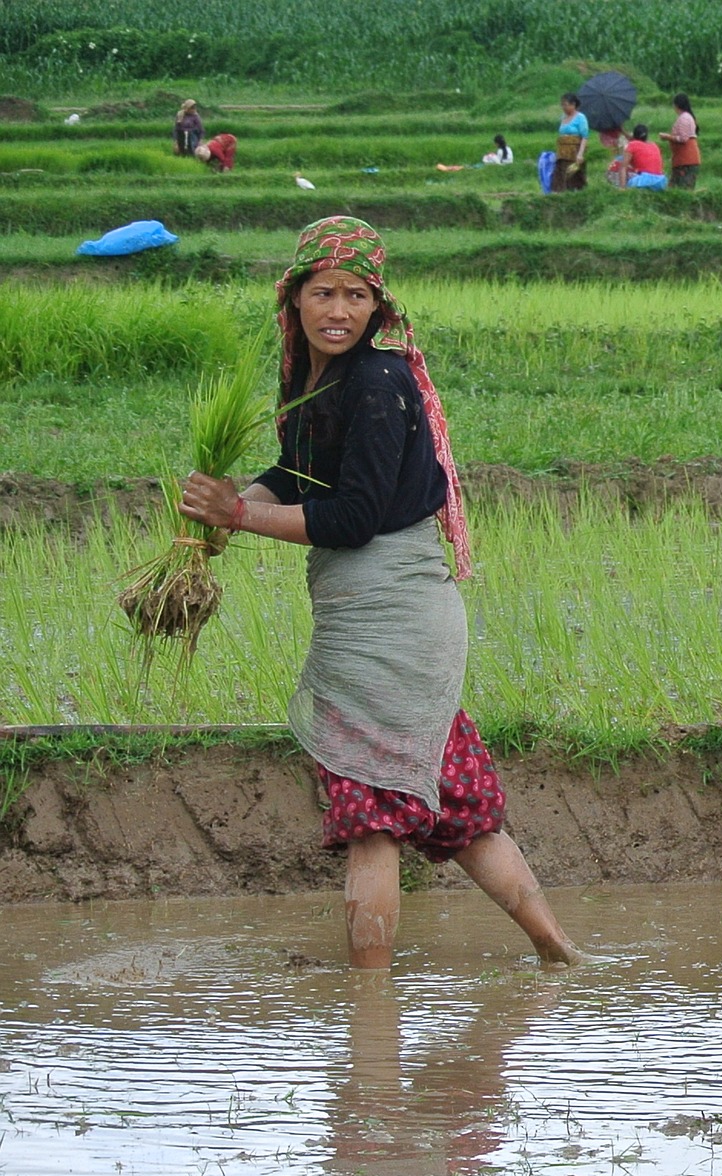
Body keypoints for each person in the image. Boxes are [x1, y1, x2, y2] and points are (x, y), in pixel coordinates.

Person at [177, 216, 581, 972]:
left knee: (372, 821)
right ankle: (559, 954)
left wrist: (237, 515)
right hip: (385, 621)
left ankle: (370, 1007)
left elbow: (352, 519)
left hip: (392, 617)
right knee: (457, 809)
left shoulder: (376, 381)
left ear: (378, 308)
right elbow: (301, 475)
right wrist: (236, 498)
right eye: (322, 291)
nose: (338, 310)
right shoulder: (309, 377)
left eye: (355, 296)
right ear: (293, 299)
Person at [555, 92, 589, 191]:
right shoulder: (563, 117)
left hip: (574, 151)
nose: (563, 107)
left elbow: (584, 137)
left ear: (573, 104)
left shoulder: (580, 117)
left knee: (573, 174)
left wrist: (580, 154)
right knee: (561, 173)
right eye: (562, 105)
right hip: (563, 152)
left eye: (565, 105)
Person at [666, 94, 699, 189]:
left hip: (686, 160)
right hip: (684, 159)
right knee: (676, 189)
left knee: (683, 189)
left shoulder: (684, 118)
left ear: (676, 105)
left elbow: (683, 138)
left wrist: (668, 137)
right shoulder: (687, 117)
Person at [624, 122, 667, 190]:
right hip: (660, 181)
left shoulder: (632, 145)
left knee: (619, 167)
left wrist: (622, 188)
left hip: (643, 181)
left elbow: (623, 167)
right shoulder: (654, 145)